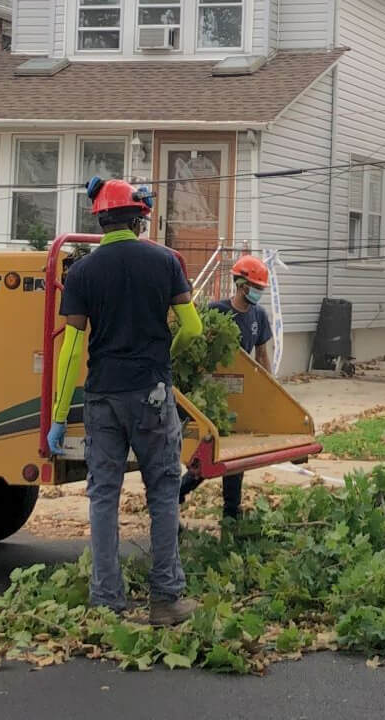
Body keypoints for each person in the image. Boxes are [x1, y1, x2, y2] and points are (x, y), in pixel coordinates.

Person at [47, 176, 204, 626]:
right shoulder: (166, 261)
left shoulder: (83, 273)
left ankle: (107, 603)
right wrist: (162, 362)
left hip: (103, 398)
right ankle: (166, 600)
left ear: (100, 218)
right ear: (139, 218)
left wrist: (59, 417)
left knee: (103, 497)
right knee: (161, 493)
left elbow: (72, 348)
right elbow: (192, 328)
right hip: (152, 394)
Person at [179, 254, 276, 513]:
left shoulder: (259, 316)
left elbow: (262, 355)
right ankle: (180, 491)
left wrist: (269, 390)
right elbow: (198, 348)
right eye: (255, 288)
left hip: (241, 395)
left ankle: (231, 515)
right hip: (214, 393)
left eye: (260, 289)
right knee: (209, 452)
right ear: (241, 285)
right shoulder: (217, 311)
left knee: (236, 459)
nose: (258, 293)